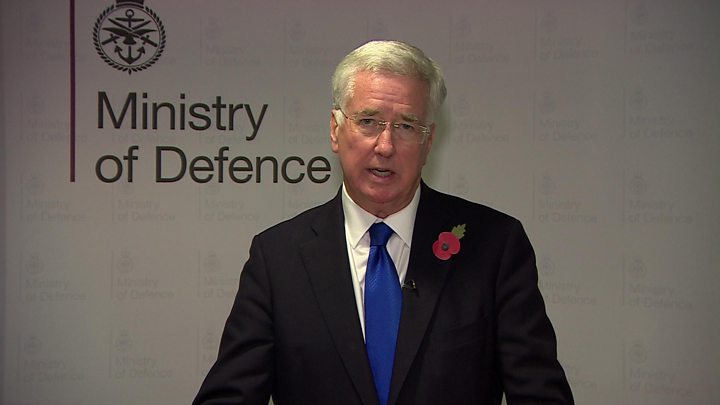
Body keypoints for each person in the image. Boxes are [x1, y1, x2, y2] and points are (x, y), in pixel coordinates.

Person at [193, 40, 574, 405]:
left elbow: (541, 395)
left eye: (407, 126)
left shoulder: (493, 247)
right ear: (335, 130)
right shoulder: (278, 258)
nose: (385, 146)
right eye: (368, 121)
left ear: (429, 142)